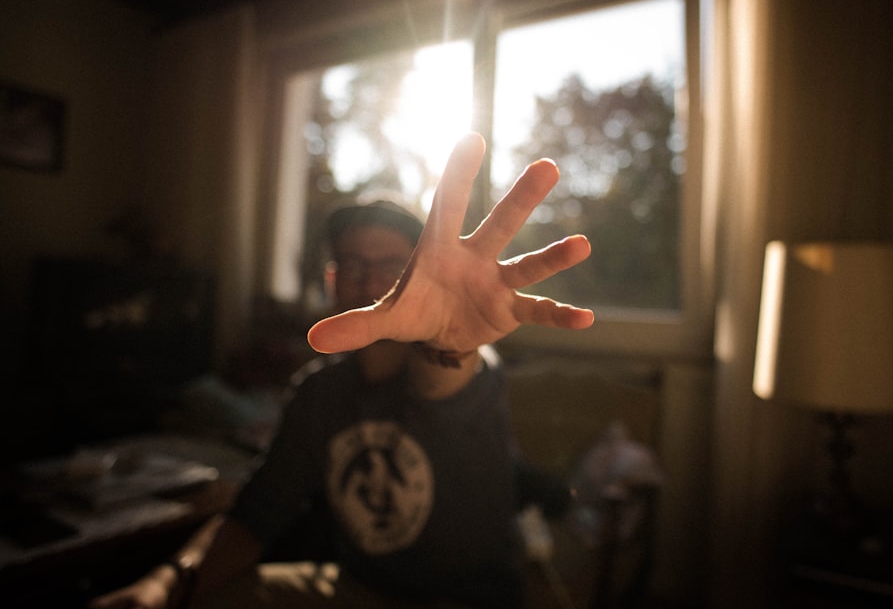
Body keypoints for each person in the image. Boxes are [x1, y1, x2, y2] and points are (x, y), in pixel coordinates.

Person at [89, 132, 593, 609]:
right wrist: (166, 583)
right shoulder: (318, 394)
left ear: (424, 275)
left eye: (392, 266)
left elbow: (447, 379)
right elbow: (255, 515)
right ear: (332, 281)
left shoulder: (465, 366)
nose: (370, 280)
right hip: (356, 590)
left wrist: (449, 345)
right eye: (352, 264)